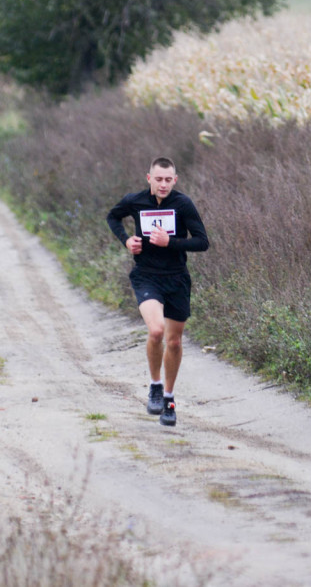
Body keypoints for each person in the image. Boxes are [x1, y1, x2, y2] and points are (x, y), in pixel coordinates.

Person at [106, 157, 210, 427]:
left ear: (175, 180)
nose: (163, 184)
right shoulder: (135, 201)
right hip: (146, 276)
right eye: (158, 179)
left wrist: (170, 242)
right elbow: (113, 216)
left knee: (174, 342)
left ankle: (168, 399)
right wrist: (126, 240)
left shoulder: (183, 204)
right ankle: (154, 384)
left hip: (177, 279)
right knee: (156, 331)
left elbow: (202, 242)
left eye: (168, 179)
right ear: (148, 178)